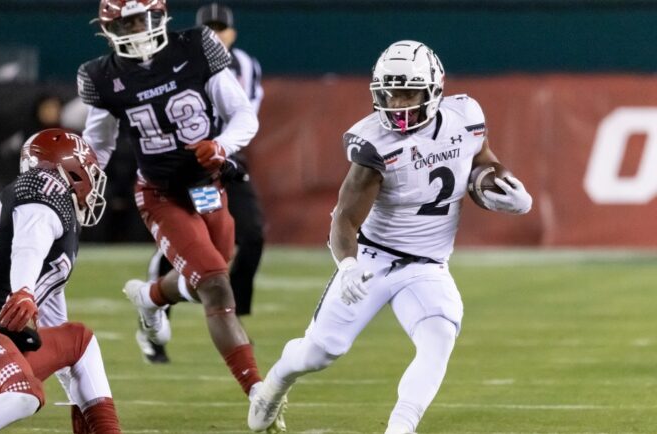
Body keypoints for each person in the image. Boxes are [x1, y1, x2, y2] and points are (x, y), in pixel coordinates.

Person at [247, 40, 533, 434]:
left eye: (407, 92)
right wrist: (347, 266)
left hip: (428, 266)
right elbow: (345, 219)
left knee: (438, 339)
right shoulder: (373, 144)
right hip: (372, 261)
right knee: (320, 352)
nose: (397, 103)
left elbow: (481, 162)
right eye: (390, 92)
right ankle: (275, 382)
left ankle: (400, 428)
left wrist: (499, 188)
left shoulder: (465, 116)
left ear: (434, 89)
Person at [78, 0, 264, 401]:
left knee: (209, 278)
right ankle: (257, 393)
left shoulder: (197, 46)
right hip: (160, 193)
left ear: (158, 16)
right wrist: (81, 181)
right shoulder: (101, 76)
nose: (134, 30)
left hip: (207, 183)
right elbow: (98, 145)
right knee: (214, 284)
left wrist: (222, 146)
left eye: (139, 19)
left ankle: (151, 296)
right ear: (107, 29)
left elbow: (243, 115)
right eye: (124, 23)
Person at [0, 129, 122, 433]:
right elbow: (28, 246)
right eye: (89, 171)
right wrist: (24, 291)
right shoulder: (45, 188)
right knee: (24, 395)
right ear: (72, 168)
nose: (93, 182)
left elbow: (54, 321)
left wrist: (75, 391)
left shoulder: (61, 213)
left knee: (79, 342)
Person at [138, 1, 266, 364]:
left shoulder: (243, 66)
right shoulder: (174, 59)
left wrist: (220, 147)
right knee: (184, 243)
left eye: (220, 28)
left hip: (220, 164)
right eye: (207, 27)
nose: (215, 34)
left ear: (232, 33)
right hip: (182, 167)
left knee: (247, 235)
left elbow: (244, 115)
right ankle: (155, 315)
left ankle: (230, 312)